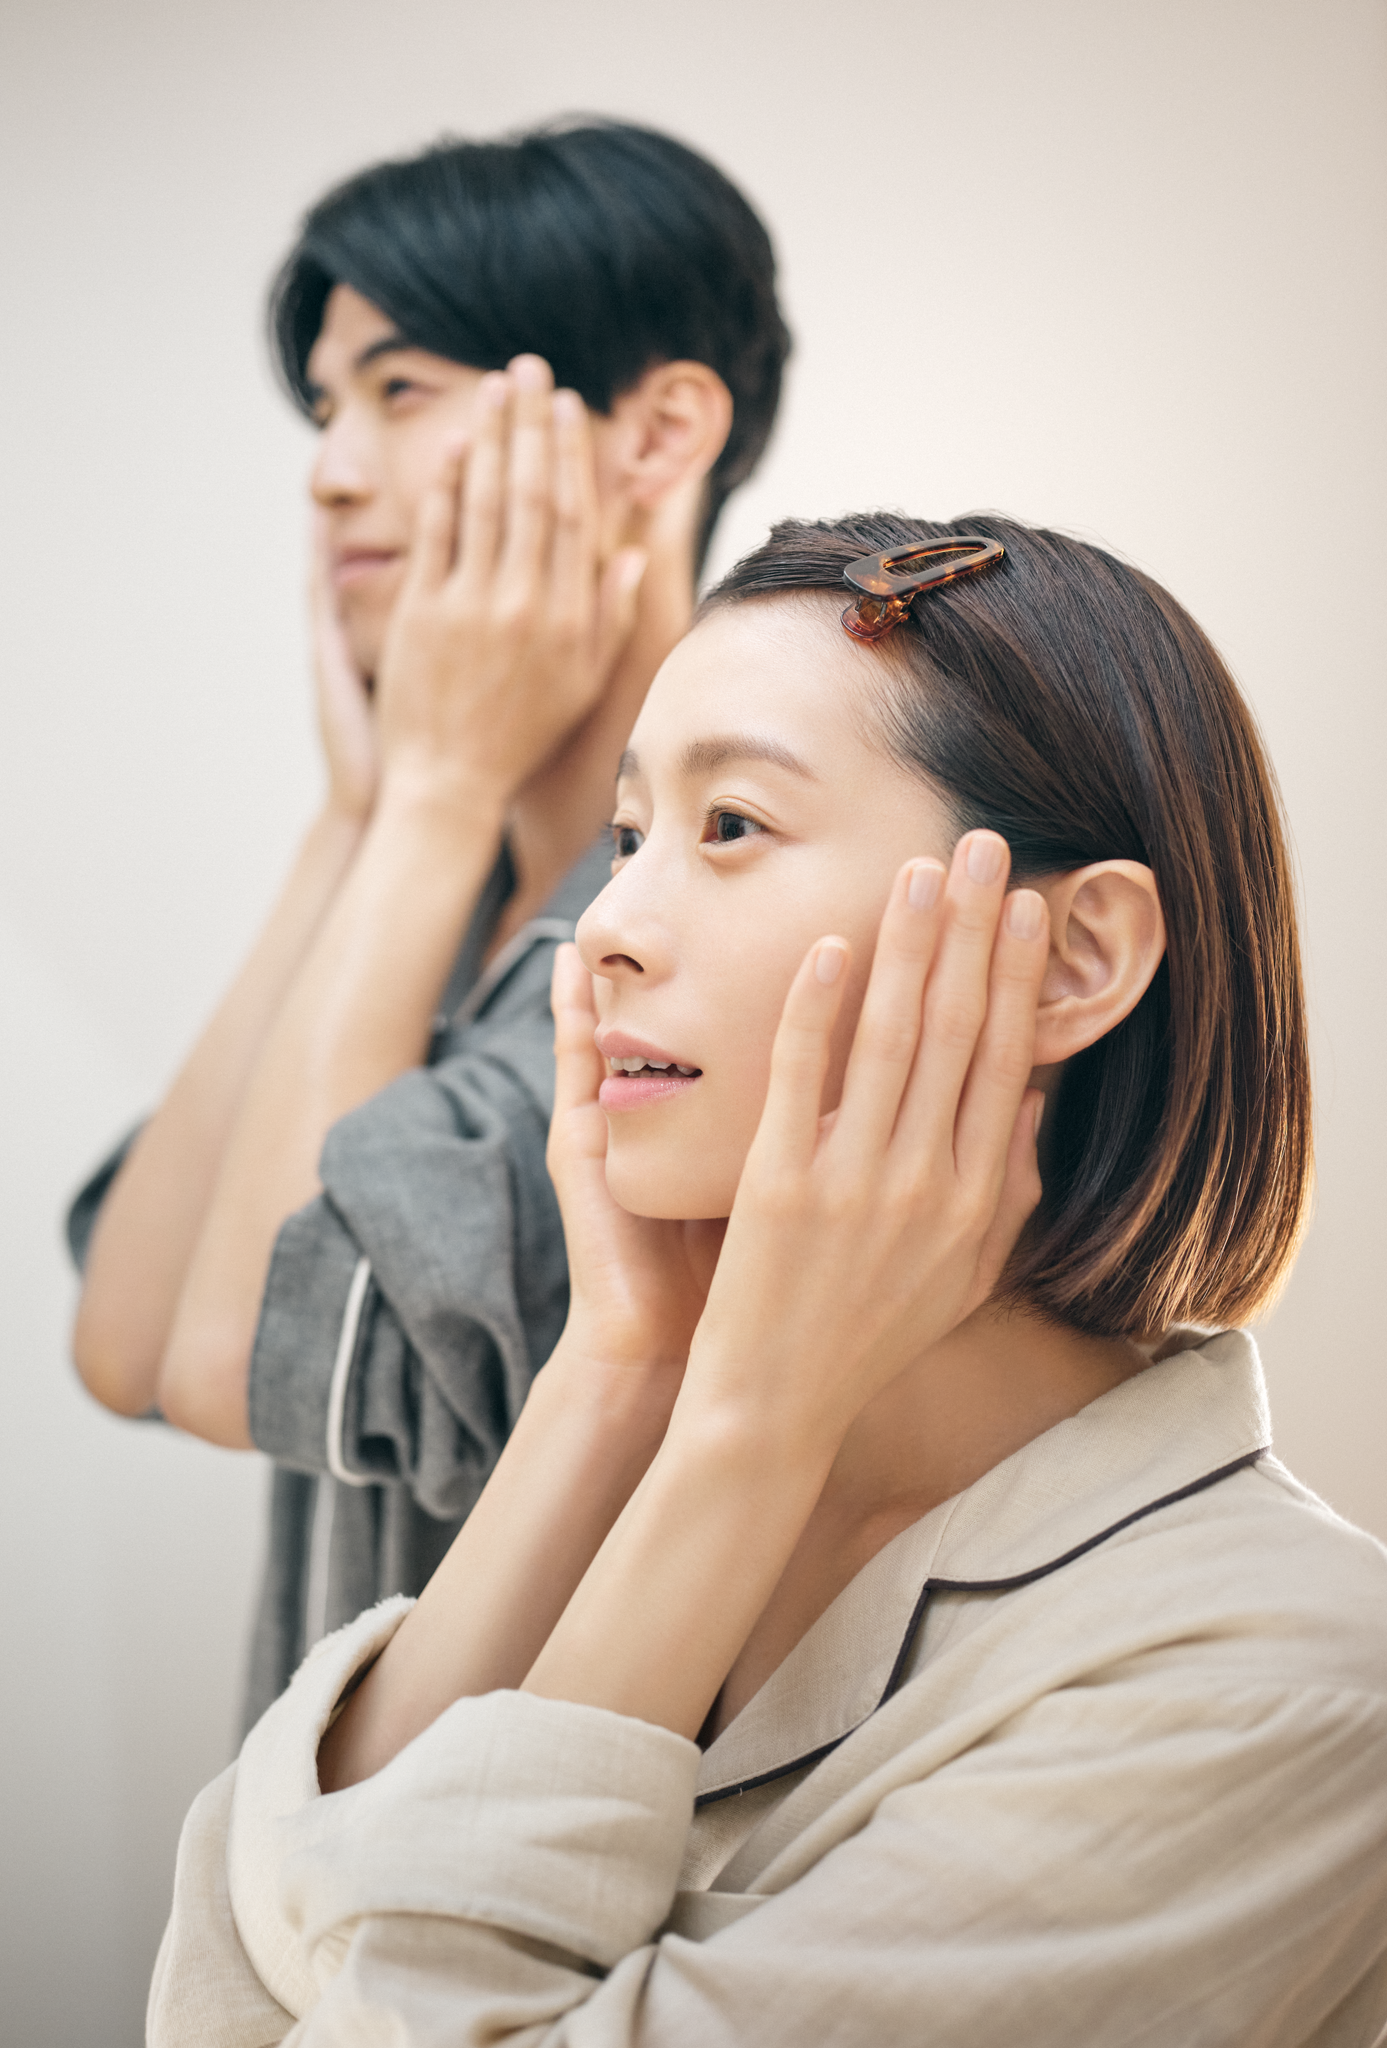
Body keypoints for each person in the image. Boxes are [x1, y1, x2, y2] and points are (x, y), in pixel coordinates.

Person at [148, 512, 1387, 2045]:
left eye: (730, 825)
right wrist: (615, 1382)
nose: (606, 928)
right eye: (627, 839)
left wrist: (740, 1434)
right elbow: (223, 1998)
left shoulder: (1283, 1683)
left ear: (1074, 958)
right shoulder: (646, 1494)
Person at [66, 120, 791, 1725]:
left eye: (401, 390)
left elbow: (231, 1363)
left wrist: (440, 785)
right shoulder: (437, 891)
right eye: (328, 408)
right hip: (330, 1864)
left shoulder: (666, 950)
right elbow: (124, 1340)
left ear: (659, 433)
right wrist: (364, 815)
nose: (331, 472)